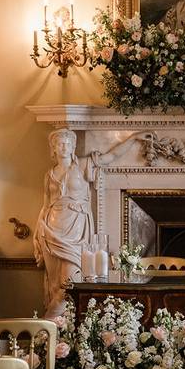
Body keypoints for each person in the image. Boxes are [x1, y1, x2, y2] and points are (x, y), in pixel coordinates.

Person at [34, 128, 153, 313]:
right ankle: (54, 333)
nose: (64, 147)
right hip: (51, 229)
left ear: (73, 146)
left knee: (70, 282)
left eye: (68, 144)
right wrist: (37, 232)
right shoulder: (49, 174)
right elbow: (45, 205)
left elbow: (110, 156)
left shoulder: (81, 165)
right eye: (60, 144)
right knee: (54, 284)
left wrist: (133, 138)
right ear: (54, 148)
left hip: (76, 228)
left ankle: (49, 328)